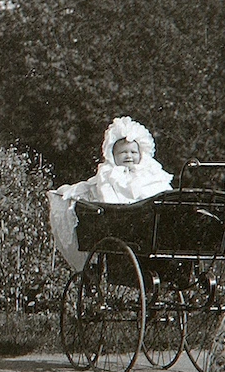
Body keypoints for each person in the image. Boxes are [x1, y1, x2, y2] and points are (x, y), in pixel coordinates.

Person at [49, 116, 174, 270]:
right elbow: (94, 189)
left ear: (141, 153)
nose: (129, 156)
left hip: (152, 225)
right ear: (112, 155)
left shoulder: (151, 173)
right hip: (126, 222)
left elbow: (164, 192)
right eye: (123, 152)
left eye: (133, 152)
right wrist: (70, 192)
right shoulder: (109, 174)